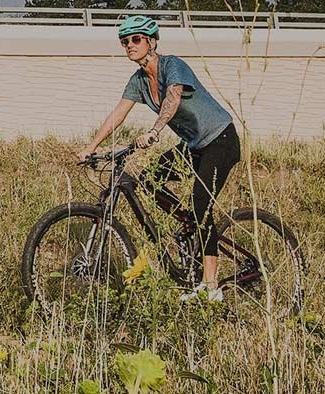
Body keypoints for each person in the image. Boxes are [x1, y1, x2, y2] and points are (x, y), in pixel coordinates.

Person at [75, 15, 241, 302]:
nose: (129, 45)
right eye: (125, 41)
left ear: (151, 41)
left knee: (201, 204)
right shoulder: (138, 81)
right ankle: (190, 224)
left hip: (220, 139)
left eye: (136, 39)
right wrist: (91, 146)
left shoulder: (171, 64)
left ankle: (210, 285)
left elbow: (173, 98)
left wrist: (154, 131)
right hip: (194, 144)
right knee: (150, 180)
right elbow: (119, 113)